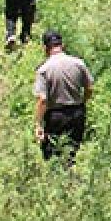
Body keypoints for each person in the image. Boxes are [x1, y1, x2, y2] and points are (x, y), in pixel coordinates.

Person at [33, 31, 94, 161]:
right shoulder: (79, 63)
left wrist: (38, 124)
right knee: (71, 154)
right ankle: (70, 177)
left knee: (52, 155)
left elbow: (42, 100)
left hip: (56, 116)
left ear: (45, 48)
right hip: (77, 113)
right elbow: (89, 88)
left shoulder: (44, 69)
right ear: (62, 45)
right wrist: (82, 101)